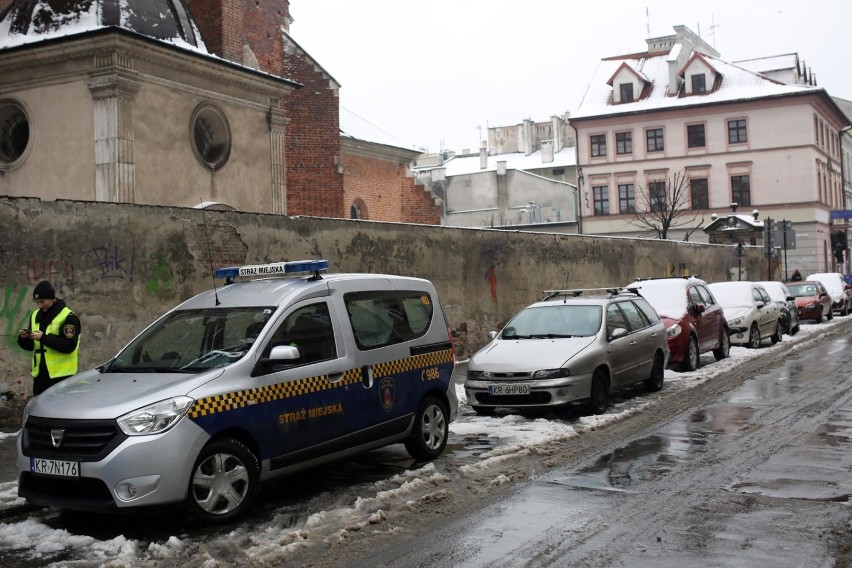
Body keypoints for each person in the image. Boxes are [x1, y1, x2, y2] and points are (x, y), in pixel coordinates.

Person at [17, 281, 81, 396]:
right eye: (37, 302)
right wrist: (24, 338)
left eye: (42, 301)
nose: (39, 305)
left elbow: (69, 345)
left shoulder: (68, 316)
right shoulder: (35, 315)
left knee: (60, 411)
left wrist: (44, 338)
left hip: (61, 376)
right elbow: (31, 346)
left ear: (52, 298)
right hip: (40, 375)